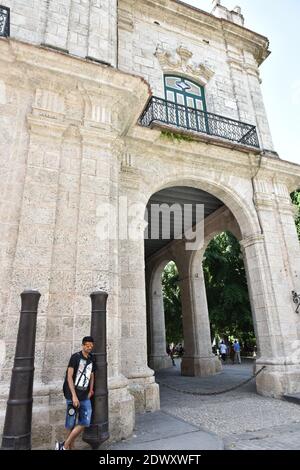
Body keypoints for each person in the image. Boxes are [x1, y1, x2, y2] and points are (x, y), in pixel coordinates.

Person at [55, 336, 96, 450]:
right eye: (87, 345)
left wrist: (91, 390)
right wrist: (73, 396)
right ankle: (70, 448)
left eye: (91, 346)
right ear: (83, 345)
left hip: (85, 396)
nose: (89, 348)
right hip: (72, 395)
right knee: (70, 422)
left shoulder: (92, 359)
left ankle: (64, 445)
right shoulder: (75, 357)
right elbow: (69, 377)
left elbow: (92, 375)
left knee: (85, 421)